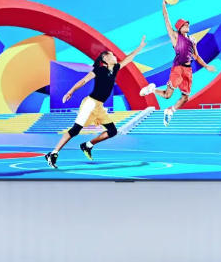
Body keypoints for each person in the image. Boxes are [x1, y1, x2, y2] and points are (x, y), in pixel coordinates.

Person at [44, 36, 146, 168]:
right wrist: (70, 91)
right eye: (112, 55)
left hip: (99, 107)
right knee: (75, 130)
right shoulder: (99, 70)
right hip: (90, 103)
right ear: (106, 59)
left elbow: (128, 59)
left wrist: (140, 47)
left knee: (112, 131)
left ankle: (88, 145)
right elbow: (84, 81)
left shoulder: (115, 68)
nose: (115, 56)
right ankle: (53, 153)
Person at [139, 0, 215, 126]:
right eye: (185, 24)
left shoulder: (192, 40)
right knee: (167, 95)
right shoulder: (175, 36)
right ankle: (152, 89)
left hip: (188, 70)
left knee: (185, 97)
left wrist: (206, 66)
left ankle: (170, 111)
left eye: (188, 24)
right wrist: (163, 4)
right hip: (178, 68)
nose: (188, 25)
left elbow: (196, 56)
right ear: (179, 27)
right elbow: (166, 19)